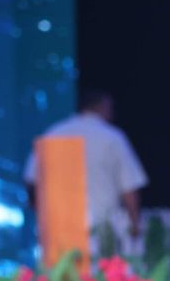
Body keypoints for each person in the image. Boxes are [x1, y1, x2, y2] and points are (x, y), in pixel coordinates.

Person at [24, 88, 149, 252]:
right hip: (99, 229)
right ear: (103, 107)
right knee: (100, 267)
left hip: (58, 230)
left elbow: (31, 181)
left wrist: (42, 214)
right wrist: (134, 224)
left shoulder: (53, 133)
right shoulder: (112, 137)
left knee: (59, 268)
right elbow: (129, 187)